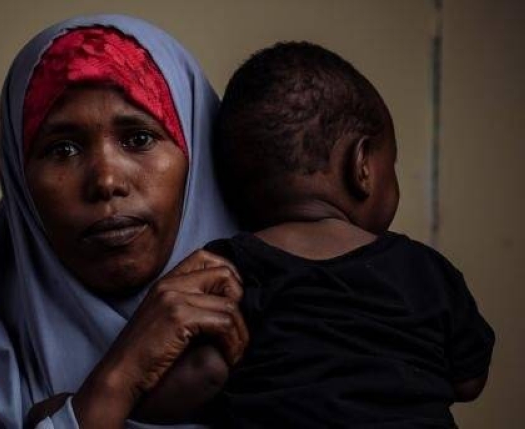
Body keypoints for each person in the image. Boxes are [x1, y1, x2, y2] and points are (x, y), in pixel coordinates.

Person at [0, 15, 248, 428]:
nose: (106, 181)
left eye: (139, 138)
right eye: (62, 149)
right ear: (21, 188)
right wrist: (113, 386)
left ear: (197, 159)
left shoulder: (314, 330)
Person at [202, 42, 495, 428]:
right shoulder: (424, 271)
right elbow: (469, 381)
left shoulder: (226, 268)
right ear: (362, 166)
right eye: (391, 163)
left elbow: (203, 374)